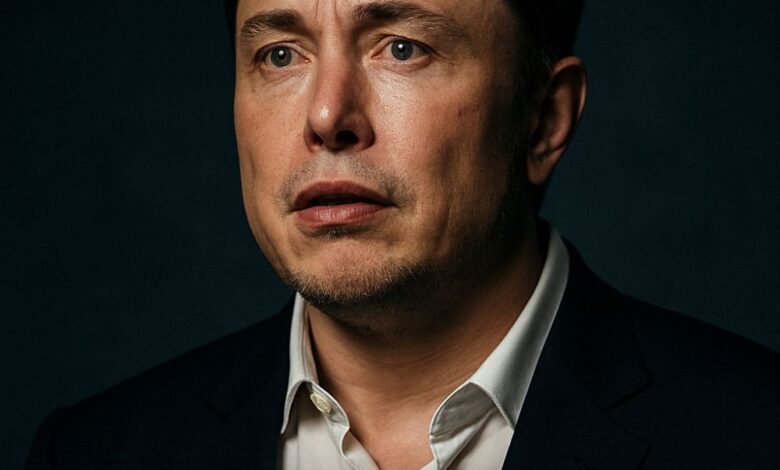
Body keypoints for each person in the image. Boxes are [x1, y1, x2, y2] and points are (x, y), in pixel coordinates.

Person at [26, 0, 778, 468]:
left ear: (544, 120)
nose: (327, 115)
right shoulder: (93, 453)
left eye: (401, 46)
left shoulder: (754, 435)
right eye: (280, 54)